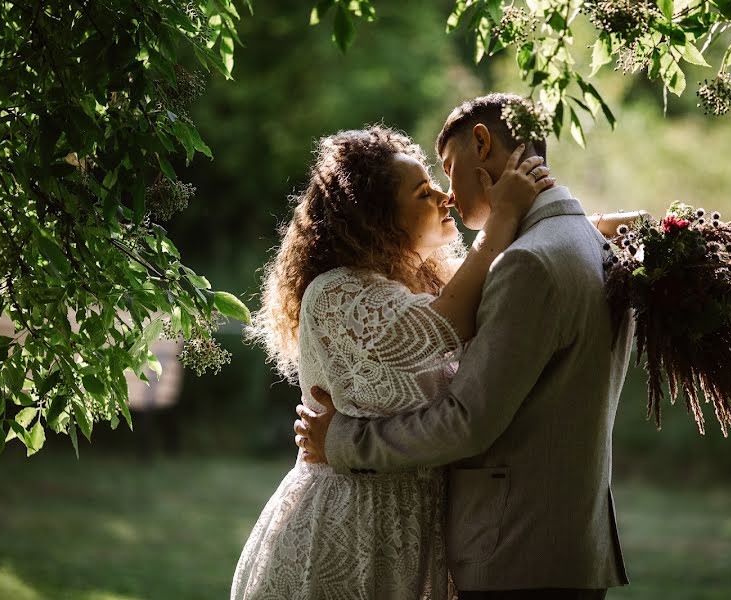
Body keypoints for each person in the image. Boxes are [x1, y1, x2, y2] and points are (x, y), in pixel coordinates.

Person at [295, 93, 638, 600]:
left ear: (481, 143)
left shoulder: (528, 264)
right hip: (558, 547)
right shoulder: (591, 247)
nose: (448, 194)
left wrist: (341, 442)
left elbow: (466, 421)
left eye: (448, 168)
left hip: (516, 554)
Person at [232, 124, 557, 599]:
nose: (445, 197)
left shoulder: (423, 285)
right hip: (347, 527)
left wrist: (581, 227)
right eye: (424, 192)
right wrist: (500, 219)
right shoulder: (336, 291)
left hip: (421, 528)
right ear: (377, 217)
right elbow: (442, 328)